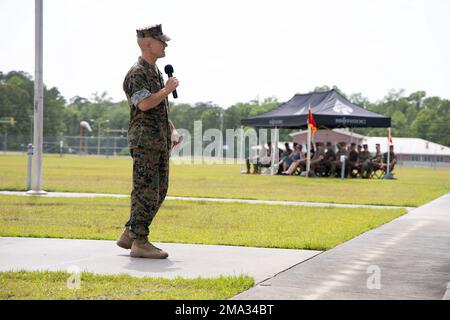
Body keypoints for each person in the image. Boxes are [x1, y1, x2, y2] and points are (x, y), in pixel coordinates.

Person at [116, 24, 180, 259]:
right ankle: (140, 242)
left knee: (160, 190)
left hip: (159, 139)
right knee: (145, 191)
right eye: (161, 41)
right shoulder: (137, 73)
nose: (165, 45)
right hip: (145, 141)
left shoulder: (156, 71)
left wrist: (171, 129)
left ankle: (129, 233)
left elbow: (158, 108)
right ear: (147, 44)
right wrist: (166, 90)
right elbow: (143, 104)